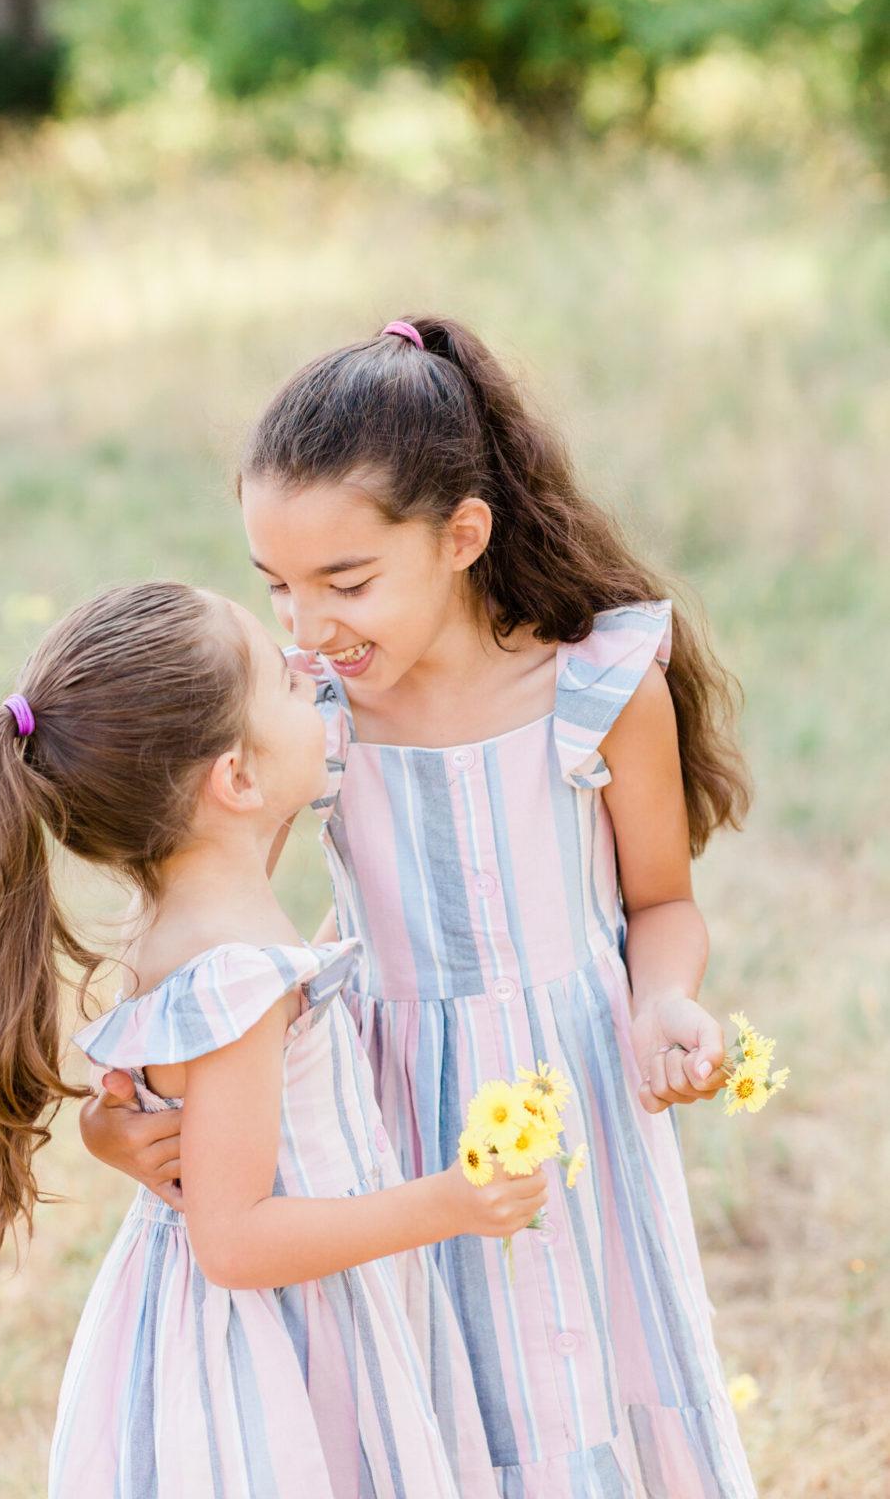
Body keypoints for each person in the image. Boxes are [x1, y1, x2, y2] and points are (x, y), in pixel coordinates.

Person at [81, 318, 758, 1498]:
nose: (307, 628)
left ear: (462, 534)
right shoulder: (313, 724)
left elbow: (661, 903)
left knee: (587, 1378)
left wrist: (666, 1005)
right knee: (428, 1415)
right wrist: (124, 1115)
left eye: (345, 582)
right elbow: (203, 915)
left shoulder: (596, 688)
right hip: (383, 1119)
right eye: (277, 588)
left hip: (574, 1101)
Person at [0, 580, 550, 1499]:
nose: (309, 670)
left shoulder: (177, 907)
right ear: (236, 780)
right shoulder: (241, 982)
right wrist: (449, 1204)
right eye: (284, 683)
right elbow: (236, 1240)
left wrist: (103, 1131)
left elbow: (288, 792)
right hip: (274, 1337)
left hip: (203, 1321)